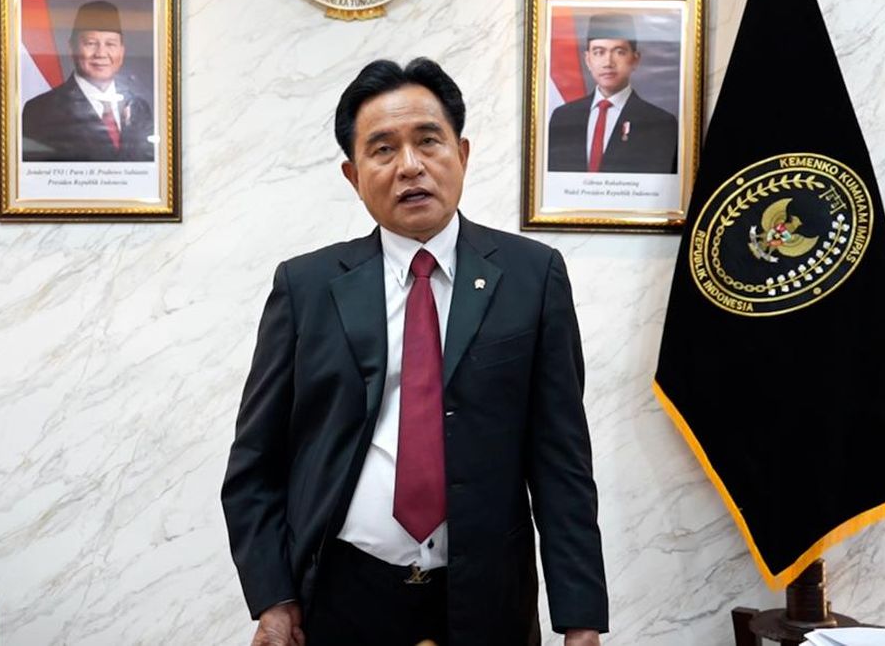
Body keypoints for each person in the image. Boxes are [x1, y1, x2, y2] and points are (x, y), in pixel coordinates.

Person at [222, 58, 608, 646]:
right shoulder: (306, 287)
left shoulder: (533, 277)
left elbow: (563, 465)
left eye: (428, 141)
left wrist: (580, 621)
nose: (410, 166)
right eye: (383, 149)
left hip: (489, 598)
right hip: (343, 593)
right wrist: (274, 599)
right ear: (353, 176)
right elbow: (255, 464)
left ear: (462, 154)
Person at [21, 0, 155, 162]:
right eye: (91, 43)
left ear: (121, 51)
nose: (101, 53)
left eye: (110, 44)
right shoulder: (40, 111)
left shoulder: (139, 108)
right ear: (72, 48)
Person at [546, 13, 677, 174]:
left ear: (635, 59)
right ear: (588, 60)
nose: (608, 63)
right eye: (599, 52)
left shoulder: (660, 124)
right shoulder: (562, 117)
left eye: (619, 52)